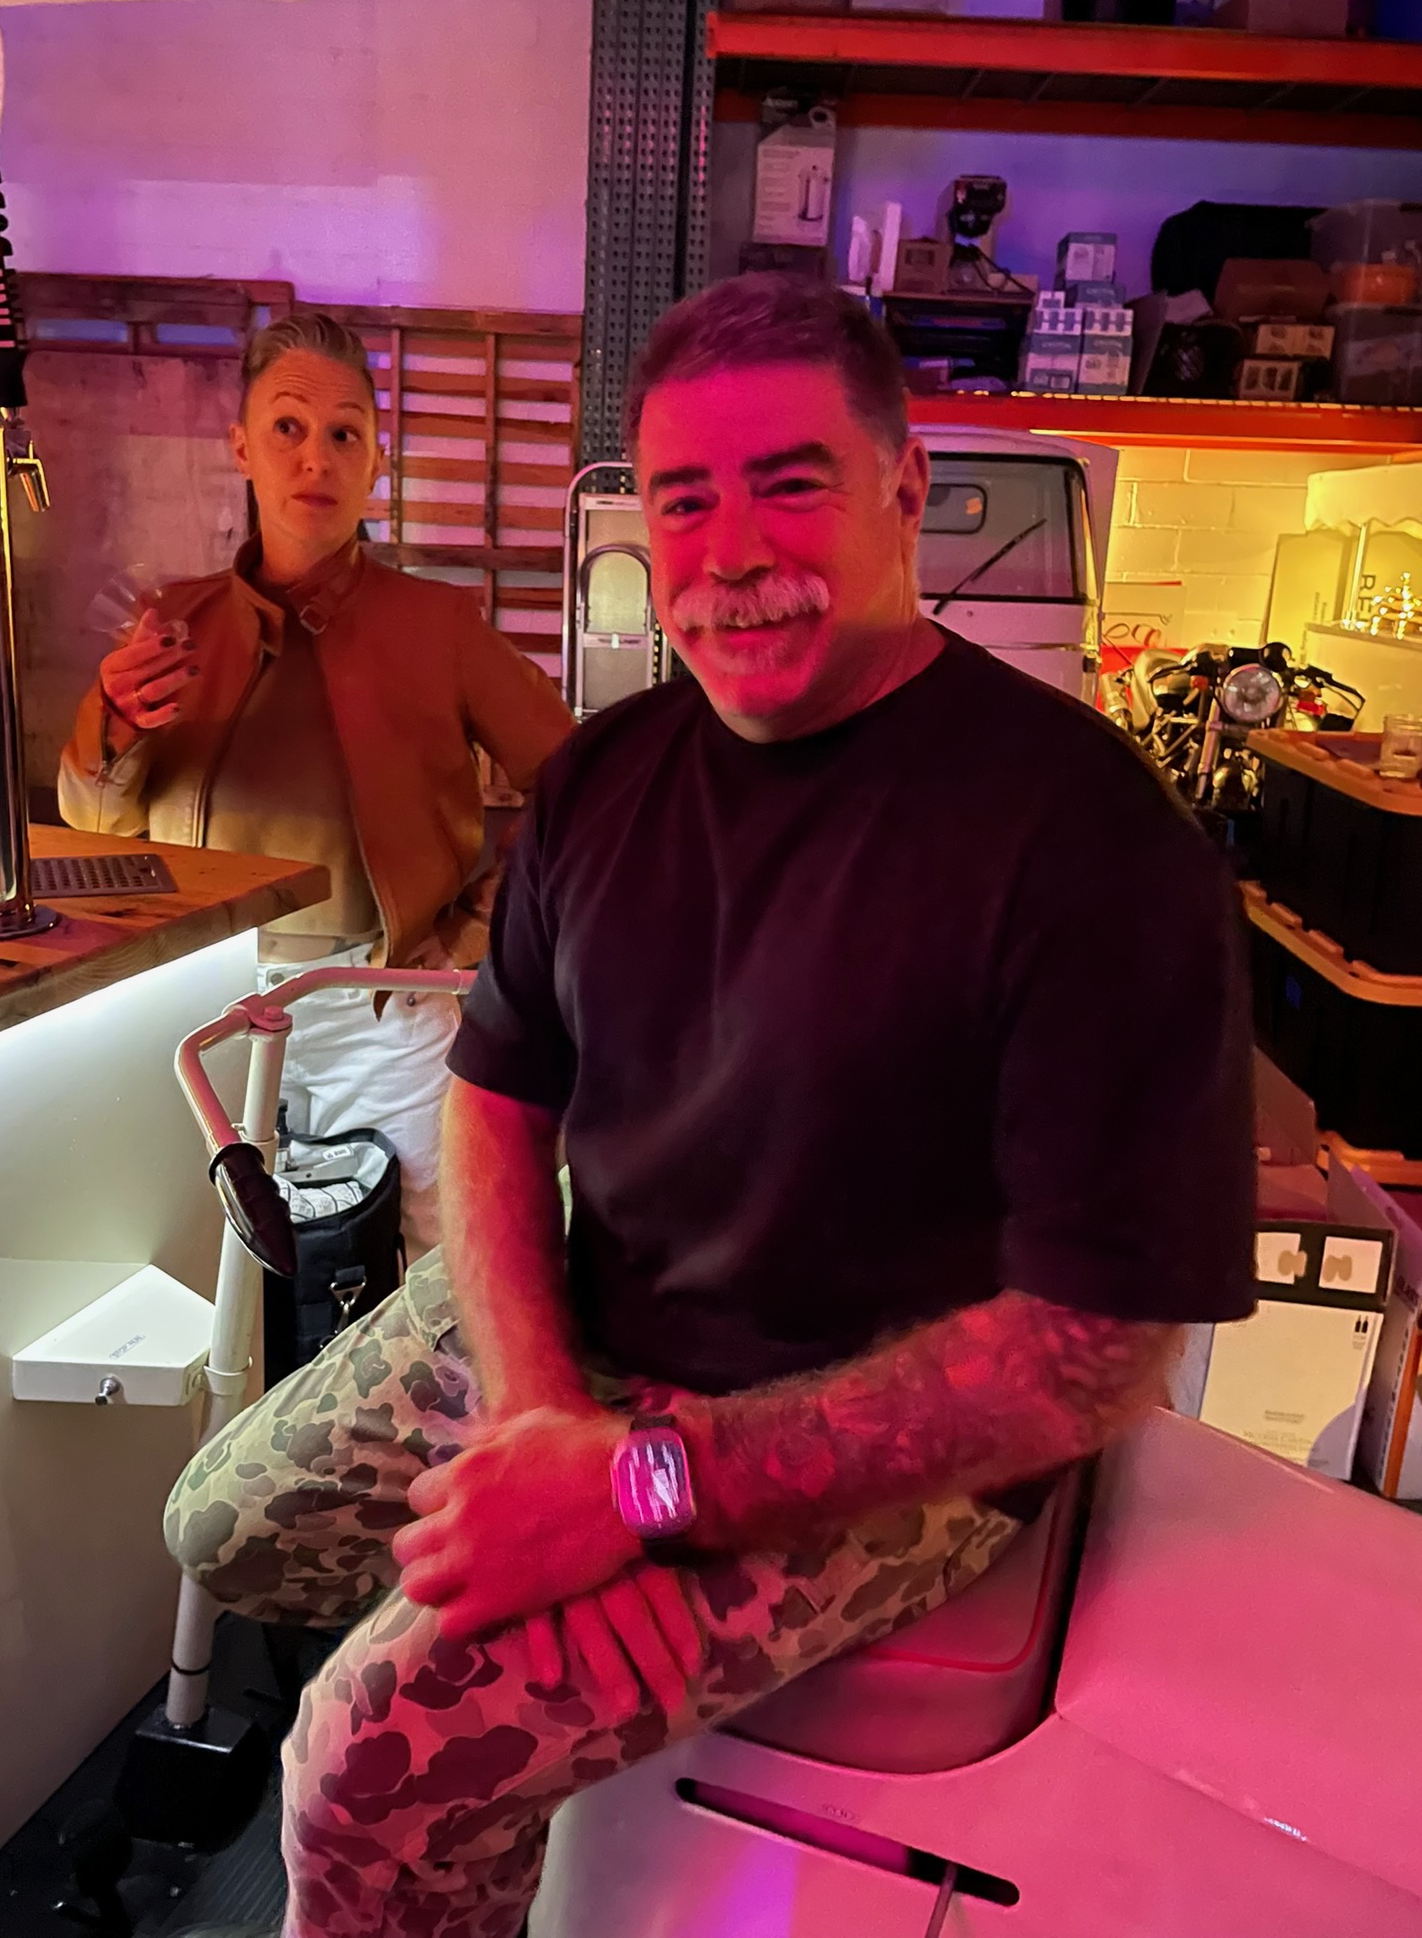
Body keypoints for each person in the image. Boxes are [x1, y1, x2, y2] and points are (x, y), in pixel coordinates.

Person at [165, 274, 1255, 1938]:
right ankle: (536, 1743)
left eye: (790, 482)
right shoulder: (608, 777)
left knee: (366, 1769)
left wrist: (633, 1494)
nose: (731, 551)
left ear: (903, 488)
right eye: (684, 499)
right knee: (222, 1527)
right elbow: (498, 1100)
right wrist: (542, 1423)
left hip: (873, 1433)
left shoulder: (1089, 841)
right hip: (596, 1329)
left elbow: (1087, 1359)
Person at [60, 313, 573, 1256]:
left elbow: (579, 788)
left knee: (428, 1268)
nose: (315, 458)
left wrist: (477, 927)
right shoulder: (171, 626)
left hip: (383, 1007)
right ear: (241, 448)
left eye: (344, 434)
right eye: (288, 428)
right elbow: (93, 828)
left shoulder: (439, 627)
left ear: (377, 463)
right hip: (198, 1008)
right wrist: (114, 721)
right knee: (200, 1276)